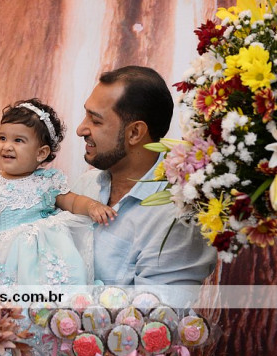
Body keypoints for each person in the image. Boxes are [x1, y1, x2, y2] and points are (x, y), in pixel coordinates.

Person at [0, 98, 116, 356]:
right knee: (2, 323)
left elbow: (72, 201)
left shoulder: (48, 181)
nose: (7, 146)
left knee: (42, 315)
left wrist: (91, 206)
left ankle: (49, 352)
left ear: (41, 153)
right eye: (2, 138)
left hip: (40, 265)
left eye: (18, 140)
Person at [71, 65, 217, 287]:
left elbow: (157, 307)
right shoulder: (86, 185)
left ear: (134, 132)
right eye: (86, 116)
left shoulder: (178, 220)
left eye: (96, 121)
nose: (81, 129)